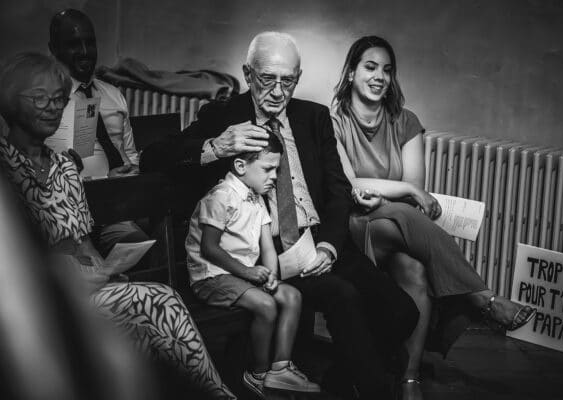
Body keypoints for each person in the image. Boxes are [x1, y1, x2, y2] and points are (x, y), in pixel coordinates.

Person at [141, 32, 419, 399]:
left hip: (319, 244)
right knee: (344, 298)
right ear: (248, 73)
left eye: (286, 81)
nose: (276, 91)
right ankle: (371, 388)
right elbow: (152, 158)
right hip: (265, 256)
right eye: (266, 79)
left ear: (298, 78)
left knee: (402, 311)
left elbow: (338, 193)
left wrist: (329, 248)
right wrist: (217, 146)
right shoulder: (224, 116)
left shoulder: (314, 117)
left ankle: (343, 375)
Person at [0, 51, 236, 400]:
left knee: (161, 299)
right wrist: (76, 279)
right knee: (152, 306)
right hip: (42, 304)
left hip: (87, 288)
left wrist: (108, 268)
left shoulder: (65, 167)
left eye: (59, 98)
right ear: (10, 101)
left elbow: (83, 243)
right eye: (39, 97)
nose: (52, 106)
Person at [331, 35, 537, 400]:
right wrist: (408, 193)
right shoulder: (332, 121)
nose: (380, 76)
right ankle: (484, 299)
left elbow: (413, 183)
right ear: (350, 73)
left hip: (399, 224)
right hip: (358, 225)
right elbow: (353, 184)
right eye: (370, 66)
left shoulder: (405, 121)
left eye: (387, 70)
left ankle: (409, 380)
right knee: (403, 214)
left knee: (416, 272)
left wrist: (405, 193)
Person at [186, 132, 320, 397]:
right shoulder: (221, 196)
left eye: (277, 170)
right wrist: (248, 272)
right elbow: (209, 248)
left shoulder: (257, 199)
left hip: (241, 277)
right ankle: (257, 373)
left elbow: (267, 247)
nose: (274, 176)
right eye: (268, 169)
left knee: (292, 295)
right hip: (211, 277)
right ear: (240, 166)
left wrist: (270, 274)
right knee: (266, 304)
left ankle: (280, 369)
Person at [48, 8, 147, 254]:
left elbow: (130, 154)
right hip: (78, 212)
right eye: (73, 44)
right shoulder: (48, 104)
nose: (84, 52)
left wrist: (134, 175)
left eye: (89, 43)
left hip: (127, 201)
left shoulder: (113, 95)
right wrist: (107, 183)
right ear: (54, 49)